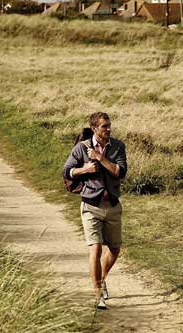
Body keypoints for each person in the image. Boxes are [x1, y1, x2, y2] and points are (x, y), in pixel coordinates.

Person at [62, 112, 127, 310]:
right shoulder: (81, 148)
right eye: (104, 126)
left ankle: (102, 278)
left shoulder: (117, 146)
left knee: (115, 250)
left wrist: (99, 157)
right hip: (90, 205)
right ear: (94, 129)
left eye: (109, 125)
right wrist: (85, 170)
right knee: (96, 248)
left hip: (113, 205)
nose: (108, 129)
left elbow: (119, 171)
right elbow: (67, 172)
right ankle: (97, 294)